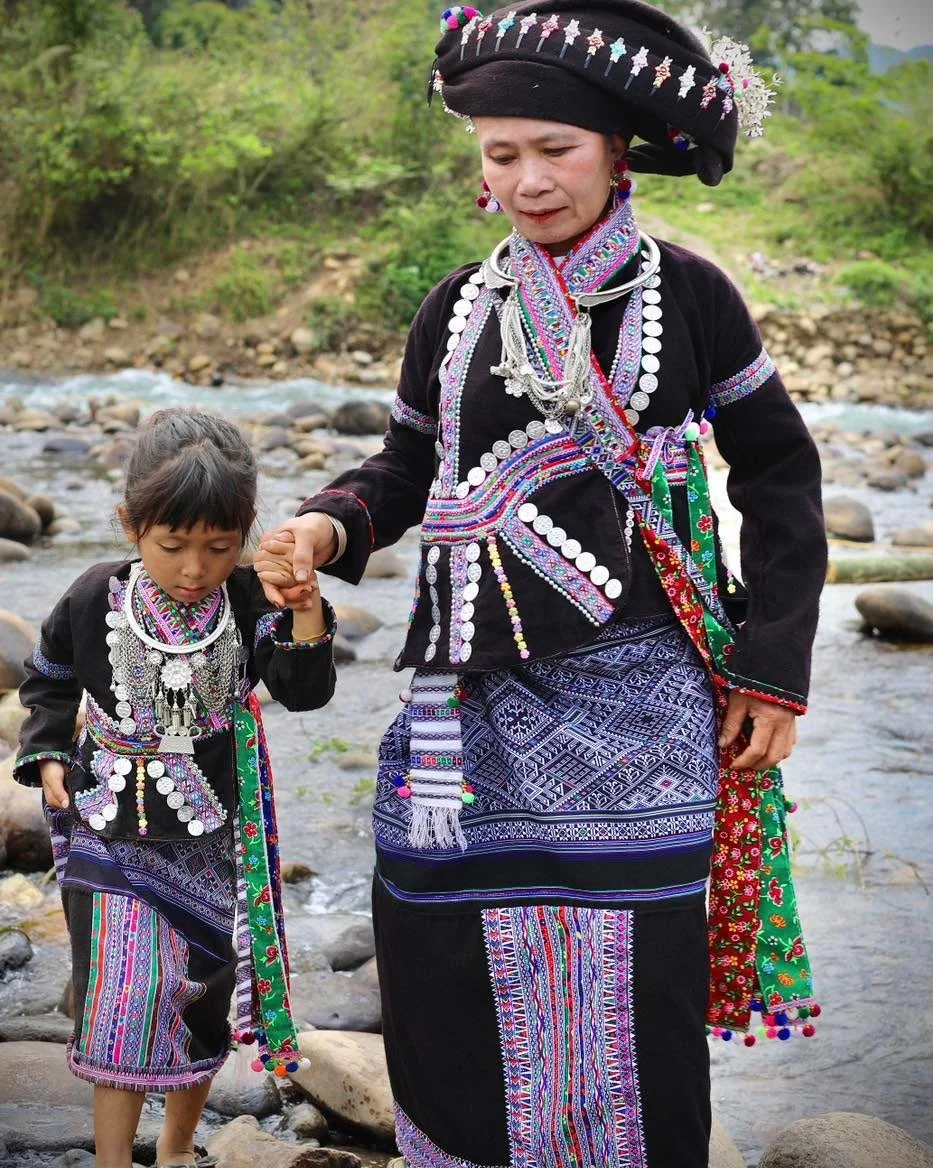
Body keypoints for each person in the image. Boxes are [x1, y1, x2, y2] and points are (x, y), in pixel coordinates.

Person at [256, 2, 828, 1164]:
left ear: (619, 152)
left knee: (638, 979)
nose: (527, 180)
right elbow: (409, 464)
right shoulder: (456, 313)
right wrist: (328, 522)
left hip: (646, 697)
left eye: (554, 151)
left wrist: (773, 667)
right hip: (467, 713)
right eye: (500, 154)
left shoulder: (695, 299)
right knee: (442, 955)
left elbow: (779, 474)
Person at [15, 408, 336, 1168]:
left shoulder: (252, 600)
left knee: (198, 997)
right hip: (107, 831)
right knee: (120, 1001)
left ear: (246, 532)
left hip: (212, 837)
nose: (194, 569)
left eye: (219, 548)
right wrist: (49, 754)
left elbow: (304, 690)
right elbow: (50, 681)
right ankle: (112, 1159)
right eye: (172, 546)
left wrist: (306, 611)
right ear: (131, 525)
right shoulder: (94, 598)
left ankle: (178, 1146)